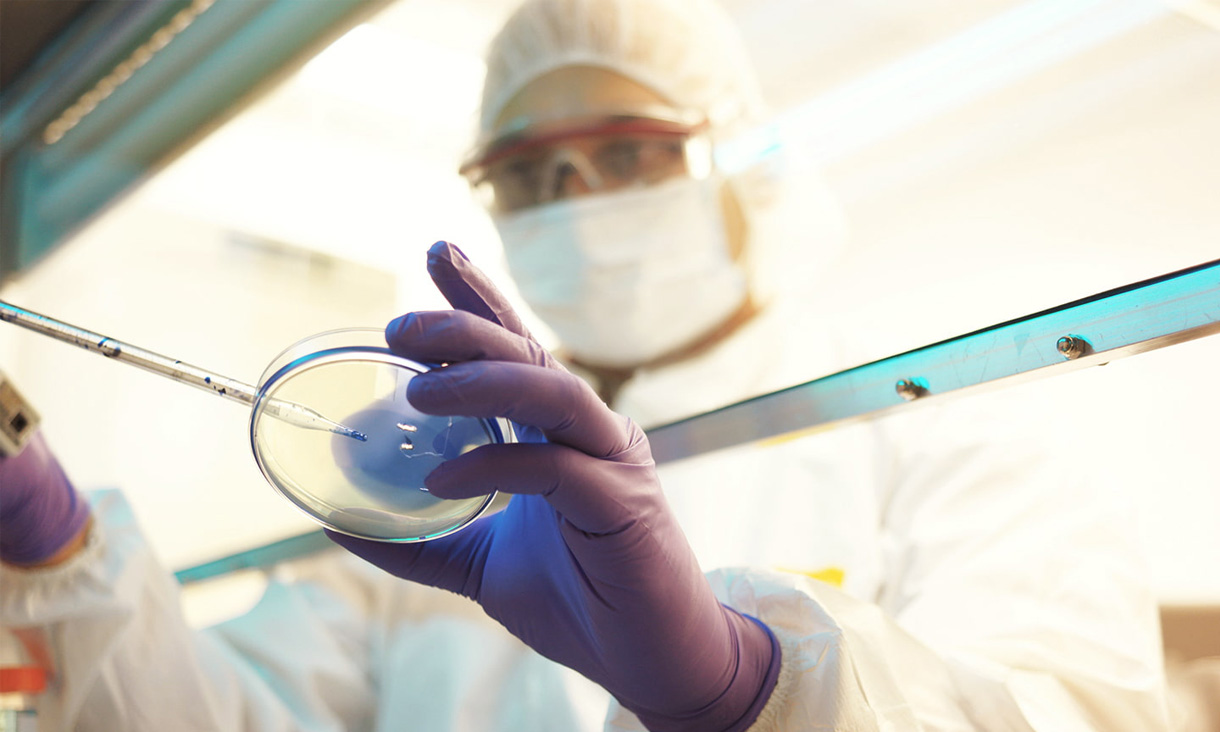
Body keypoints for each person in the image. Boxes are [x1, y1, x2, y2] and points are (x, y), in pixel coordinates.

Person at [1, 0, 1170, 729]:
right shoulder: (439, 477)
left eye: (624, 151)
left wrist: (749, 687)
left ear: (738, 170)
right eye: (526, 172)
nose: (571, 201)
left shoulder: (944, 426)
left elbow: (1065, 711)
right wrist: (58, 543)